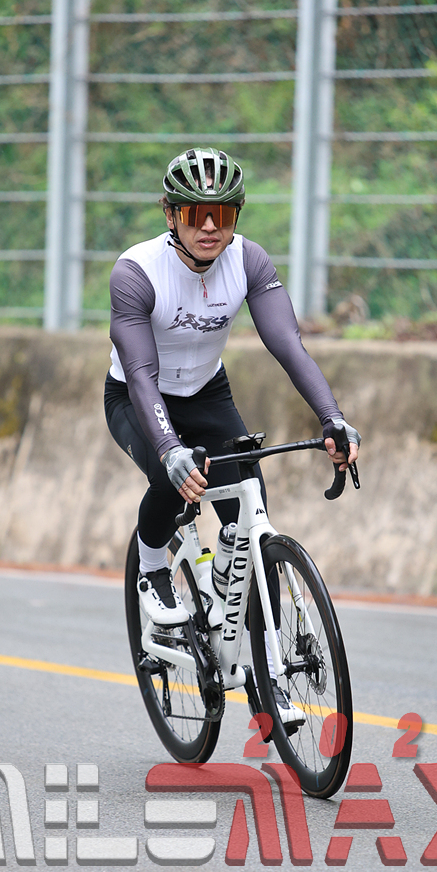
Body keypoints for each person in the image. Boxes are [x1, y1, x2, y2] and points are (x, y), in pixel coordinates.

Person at [104, 146, 360, 719]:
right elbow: (140, 373)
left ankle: (269, 679)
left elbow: (288, 345)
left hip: (207, 394)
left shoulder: (249, 261)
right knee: (174, 477)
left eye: (221, 214)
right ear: (170, 214)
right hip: (138, 397)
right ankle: (153, 569)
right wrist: (168, 449)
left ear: (236, 215)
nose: (209, 227)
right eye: (195, 214)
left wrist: (332, 417)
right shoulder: (136, 272)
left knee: (251, 517)